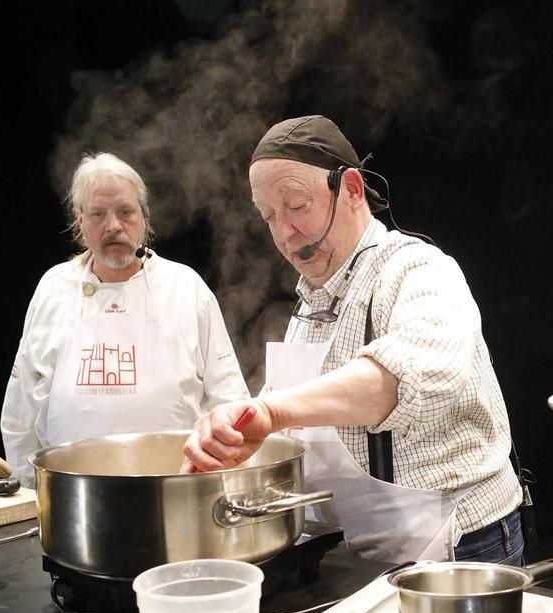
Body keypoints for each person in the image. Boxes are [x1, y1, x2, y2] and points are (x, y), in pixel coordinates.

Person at [180, 116, 524, 565]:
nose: (283, 233)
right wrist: (233, 436)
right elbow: (287, 420)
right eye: (269, 216)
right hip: (364, 548)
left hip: (463, 547)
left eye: (296, 205)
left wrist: (270, 412)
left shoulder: (417, 269)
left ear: (353, 190)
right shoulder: (309, 305)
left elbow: (414, 373)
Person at [1, 152, 249, 487]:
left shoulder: (185, 288)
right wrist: (30, 496)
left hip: (177, 489)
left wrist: (227, 487)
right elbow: (20, 412)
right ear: (80, 222)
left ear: (144, 217)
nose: (113, 226)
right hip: (74, 495)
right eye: (98, 214)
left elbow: (230, 400)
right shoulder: (54, 289)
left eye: (125, 212)